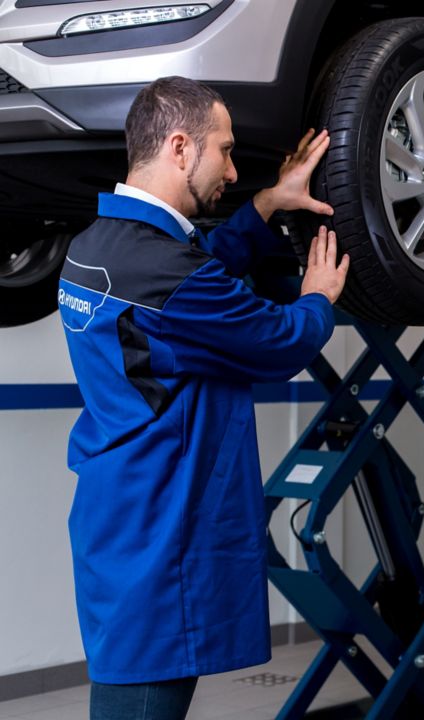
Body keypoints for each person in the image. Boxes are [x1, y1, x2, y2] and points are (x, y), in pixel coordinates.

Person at [57, 76, 349, 720]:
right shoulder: (169, 276)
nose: (234, 169)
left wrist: (269, 204)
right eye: (227, 150)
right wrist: (318, 299)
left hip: (118, 518)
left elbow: (195, 275)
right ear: (182, 148)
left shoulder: (95, 250)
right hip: (164, 535)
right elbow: (275, 341)